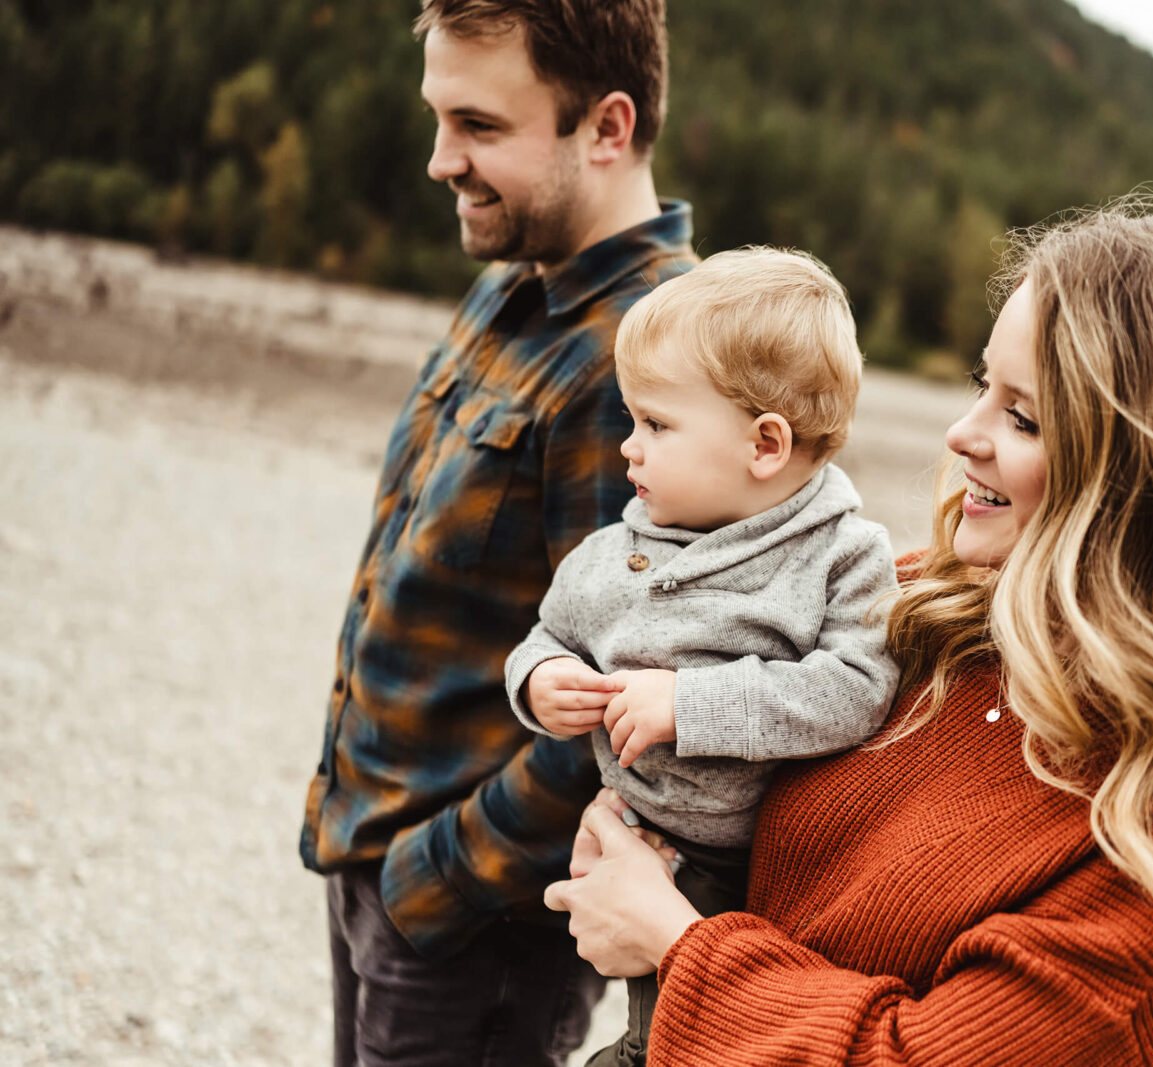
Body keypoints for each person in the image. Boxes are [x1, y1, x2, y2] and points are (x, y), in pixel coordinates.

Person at [543, 199, 1153, 1066]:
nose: (963, 434)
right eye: (979, 386)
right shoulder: (918, 606)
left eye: (1022, 416)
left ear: (1151, 474)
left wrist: (677, 943)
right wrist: (634, 843)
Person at [296, 1, 696, 1064]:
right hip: (375, 863)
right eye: (437, 118)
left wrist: (435, 876)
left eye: (477, 126)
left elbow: (626, 706)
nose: (440, 160)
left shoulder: (657, 360)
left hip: (473, 931)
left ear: (607, 128)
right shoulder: (510, 283)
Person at [505, 247, 901, 1065]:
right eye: (630, 420)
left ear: (765, 444)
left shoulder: (843, 556)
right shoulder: (615, 552)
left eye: (655, 424)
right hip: (639, 835)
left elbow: (859, 686)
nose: (628, 448)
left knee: (697, 1039)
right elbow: (547, 637)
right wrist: (541, 684)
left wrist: (690, 704)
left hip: (761, 871)